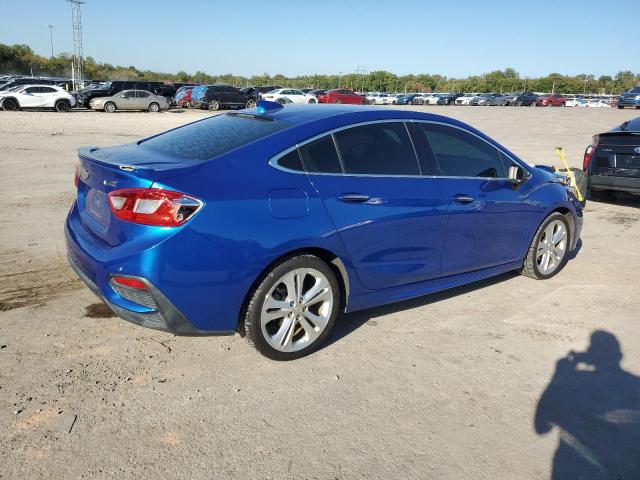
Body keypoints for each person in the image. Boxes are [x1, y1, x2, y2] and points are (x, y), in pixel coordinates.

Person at [535, 331, 640, 479]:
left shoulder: (577, 381)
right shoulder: (636, 385)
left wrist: (560, 373)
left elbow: (541, 427)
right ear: (619, 355)